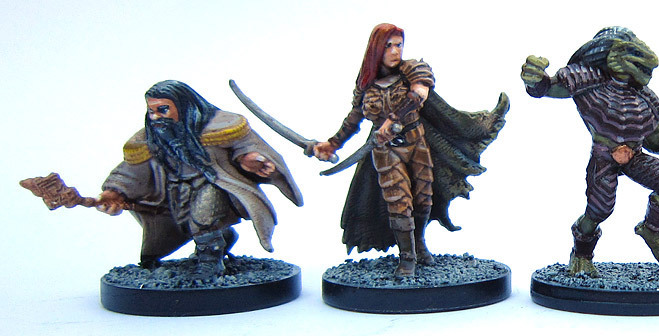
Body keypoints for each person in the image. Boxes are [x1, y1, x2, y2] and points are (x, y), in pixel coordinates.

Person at [314, 24, 507, 277]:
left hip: (416, 144)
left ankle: (419, 244)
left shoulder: (413, 70)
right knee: (398, 202)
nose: (395, 51)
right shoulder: (367, 84)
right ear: (376, 49)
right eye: (389, 46)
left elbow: (419, 94)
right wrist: (332, 144)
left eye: (399, 44)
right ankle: (407, 257)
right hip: (386, 152)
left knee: (423, 199)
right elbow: (354, 118)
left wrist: (392, 120)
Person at [521, 27, 659, 276]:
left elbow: (656, 140)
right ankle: (581, 255)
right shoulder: (590, 82)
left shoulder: (646, 100)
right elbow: (549, 88)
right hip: (604, 156)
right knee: (600, 208)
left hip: (635, 157)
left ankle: (652, 229)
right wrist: (535, 80)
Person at [98, 80, 301, 279]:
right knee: (182, 225)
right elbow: (132, 169)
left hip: (211, 183)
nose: (156, 117)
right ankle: (223, 236)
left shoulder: (218, 128)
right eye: (151, 111)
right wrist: (114, 192)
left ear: (183, 106)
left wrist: (249, 159)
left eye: (163, 109)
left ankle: (210, 262)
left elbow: (245, 145)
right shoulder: (152, 138)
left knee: (203, 219)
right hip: (173, 190)